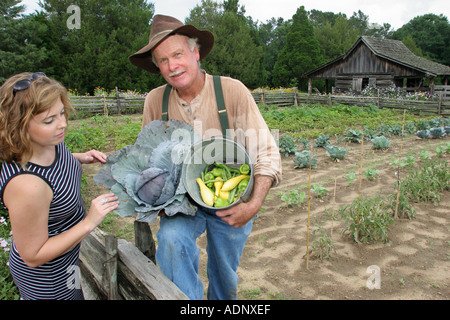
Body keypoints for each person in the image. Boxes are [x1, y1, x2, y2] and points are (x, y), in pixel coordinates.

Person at [129, 15, 282, 300]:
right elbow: (147, 159)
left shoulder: (231, 91)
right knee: (172, 241)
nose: (172, 66)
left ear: (195, 52)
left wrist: (253, 205)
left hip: (230, 199)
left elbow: (266, 151)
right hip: (181, 202)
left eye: (177, 54)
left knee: (225, 271)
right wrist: (155, 203)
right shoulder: (154, 101)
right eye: (162, 60)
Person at [0, 72, 119, 300]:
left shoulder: (48, 143)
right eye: (49, 120)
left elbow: (53, 166)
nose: (63, 124)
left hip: (69, 260)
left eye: (62, 113)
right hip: (47, 279)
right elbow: (33, 256)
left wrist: (80, 157)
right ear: (19, 125)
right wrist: (89, 222)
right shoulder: (26, 186)